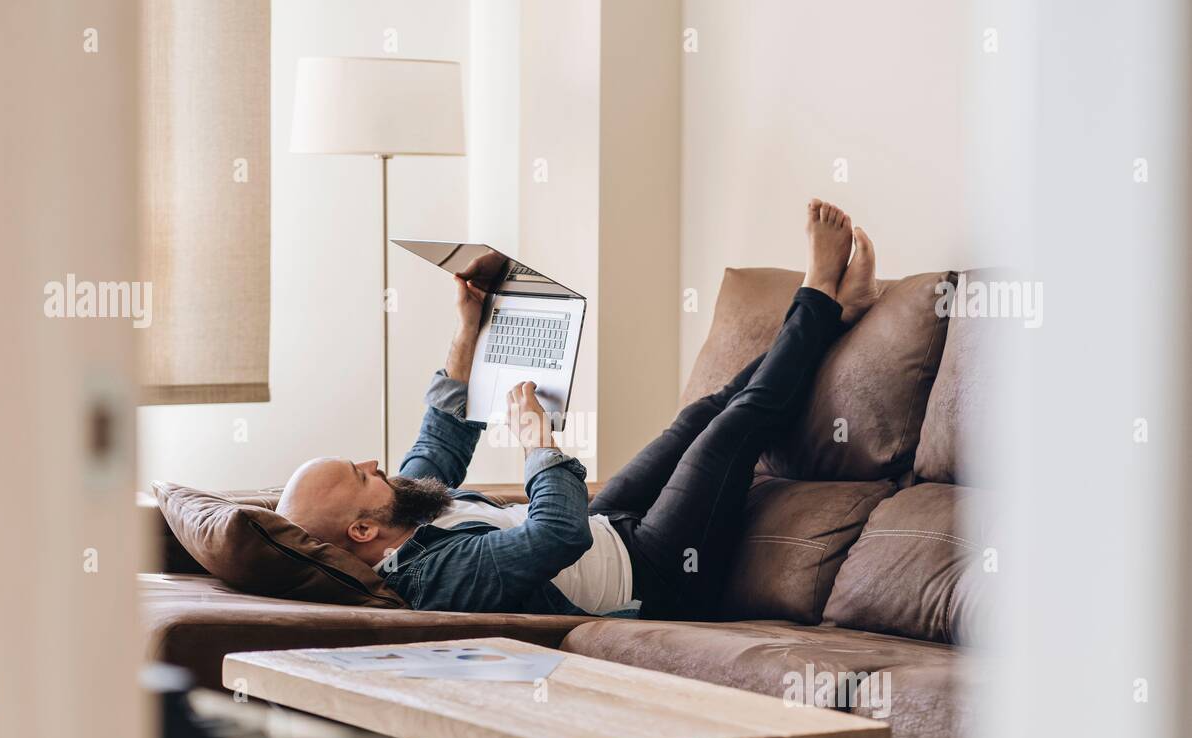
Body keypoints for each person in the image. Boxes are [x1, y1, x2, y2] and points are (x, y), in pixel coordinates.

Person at [277, 199, 879, 618]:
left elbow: (440, 440)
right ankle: (817, 295)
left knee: (699, 416)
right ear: (363, 530)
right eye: (361, 476)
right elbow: (557, 535)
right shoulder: (433, 575)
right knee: (730, 432)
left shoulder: (403, 512)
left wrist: (470, 328)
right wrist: (539, 442)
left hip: (612, 531)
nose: (376, 464)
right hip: (657, 579)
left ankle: (827, 318)